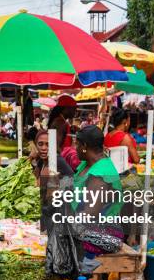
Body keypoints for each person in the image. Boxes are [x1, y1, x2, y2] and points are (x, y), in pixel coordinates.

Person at [73, 125, 125, 255]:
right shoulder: (86, 165)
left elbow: (90, 214)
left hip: (104, 235)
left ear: (84, 146)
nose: (75, 149)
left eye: (77, 145)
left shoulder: (100, 174)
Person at [48, 95, 79, 170]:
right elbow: (55, 146)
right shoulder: (60, 122)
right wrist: (66, 164)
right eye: (74, 108)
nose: (75, 111)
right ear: (65, 109)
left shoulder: (61, 121)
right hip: (62, 163)